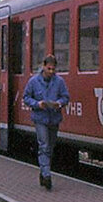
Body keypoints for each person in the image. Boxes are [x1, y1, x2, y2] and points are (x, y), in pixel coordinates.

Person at [22, 54, 69, 190]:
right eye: (49, 69)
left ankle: (43, 172)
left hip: (54, 118)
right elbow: (26, 97)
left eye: (53, 69)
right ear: (43, 67)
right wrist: (37, 104)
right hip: (40, 118)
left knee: (50, 147)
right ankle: (47, 175)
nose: (51, 72)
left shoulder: (59, 82)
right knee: (44, 145)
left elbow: (65, 97)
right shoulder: (33, 81)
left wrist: (59, 103)